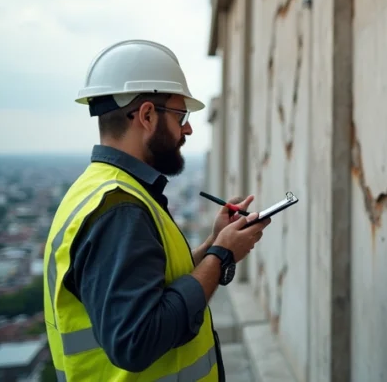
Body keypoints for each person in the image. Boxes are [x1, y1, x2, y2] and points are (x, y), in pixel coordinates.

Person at [42, 39, 270, 381]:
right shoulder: (119, 211)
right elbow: (139, 340)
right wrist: (221, 257)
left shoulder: (100, 189)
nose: (188, 128)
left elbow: (153, 284)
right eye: (181, 116)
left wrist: (214, 245)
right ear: (147, 115)